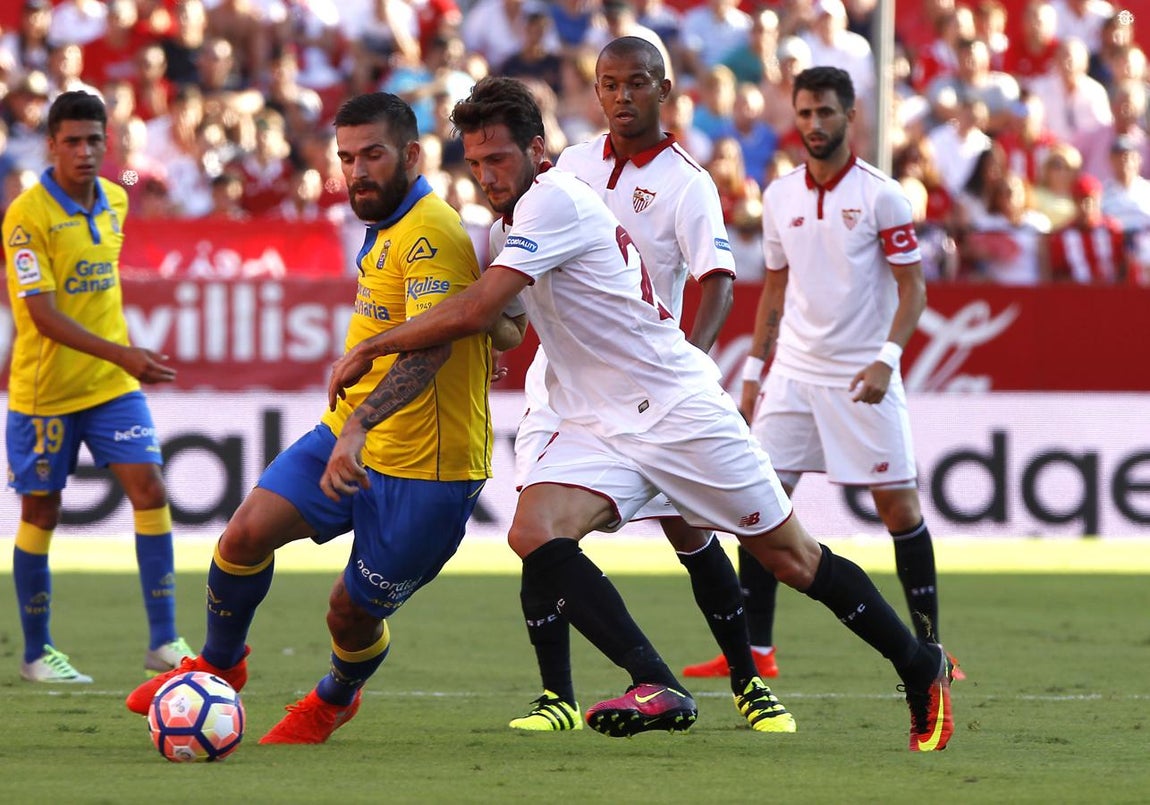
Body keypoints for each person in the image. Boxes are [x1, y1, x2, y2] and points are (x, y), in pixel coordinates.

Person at [325, 75, 955, 751]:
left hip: (678, 408)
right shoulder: (513, 220)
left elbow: (480, 308)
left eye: (498, 159)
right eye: (475, 163)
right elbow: (502, 321)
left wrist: (376, 345)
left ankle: (920, 667)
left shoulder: (554, 199)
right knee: (534, 531)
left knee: (793, 560)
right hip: (600, 422)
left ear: (537, 151)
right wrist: (482, 330)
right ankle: (656, 681)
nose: (486, 176)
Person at [124, 92, 524, 744]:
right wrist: (354, 427)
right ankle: (220, 665)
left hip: (427, 469)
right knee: (242, 537)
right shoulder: (385, 221)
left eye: (372, 155)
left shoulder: (432, 234)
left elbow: (432, 348)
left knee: (348, 612)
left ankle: (335, 697)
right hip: (348, 435)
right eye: (347, 157)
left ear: (412, 155)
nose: (357, 171)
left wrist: (361, 425)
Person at [507, 36, 791, 735]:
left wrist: (684, 367)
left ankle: (749, 682)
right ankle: (556, 695)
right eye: (608, 84)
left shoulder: (687, 181)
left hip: (648, 390)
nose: (621, 96)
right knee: (536, 529)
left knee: (689, 530)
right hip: (563, 390)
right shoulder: (570, 165)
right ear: (596, 91)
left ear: (662, 89)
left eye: (635, 82)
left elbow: (717, 281)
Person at [683, 66, 961, 685]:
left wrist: (887, 359)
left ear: (850, 116)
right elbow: (775, 288)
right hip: (792, 374)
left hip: (863, 373)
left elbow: (913, 288)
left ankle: (933, 648)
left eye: (825, 112)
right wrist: (754, 374)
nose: (814, 123)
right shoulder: (779, 195)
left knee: (898, 509)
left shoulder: (883, 196)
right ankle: (757, 651)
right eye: (805, 113)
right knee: (757, 504)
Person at [3, 90, 192, 684]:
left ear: (107, 142)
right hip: (46, 391)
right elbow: (41, 316)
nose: (84, 152)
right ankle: (37, 654)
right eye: (72, 142)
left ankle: (163, 641)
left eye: (93, 140)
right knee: (42, 510)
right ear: (51, 146)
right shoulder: (26, 216)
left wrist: (120, 361)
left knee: (151, 489)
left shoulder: (116, 200)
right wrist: (125, 353)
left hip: (111, 384)